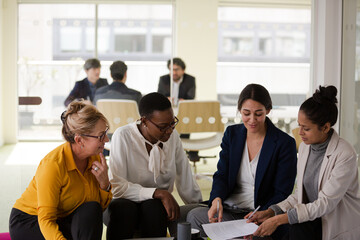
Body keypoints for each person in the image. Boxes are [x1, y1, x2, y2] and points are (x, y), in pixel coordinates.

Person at [246, 85, 360, 240]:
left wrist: (278, 220)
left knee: (292, 228)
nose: (300, 133)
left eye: (306, 128)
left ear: (325, 127)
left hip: (333, 226)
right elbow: (299, 194)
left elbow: (325, 203)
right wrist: (272, 211)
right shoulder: (307, 148)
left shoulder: (345, 154)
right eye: (299, 125)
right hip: (311, 221)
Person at [187, 84, 297, 240]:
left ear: (268, 111)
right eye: (246, 113)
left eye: (258, 114)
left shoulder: (284, 143)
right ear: (239, 110)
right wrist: (216, 199)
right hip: (230, 210)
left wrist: (263, 215)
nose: (252, 120)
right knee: (194, 217)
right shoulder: (232, 135)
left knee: (257, 235)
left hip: (260, 215)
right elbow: (222, 175)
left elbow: (282, 192)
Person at [103, 92, 202, 240]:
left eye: (172, 123)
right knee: (125, 208)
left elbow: (184, 175)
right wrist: (159, 193)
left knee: (154, 207)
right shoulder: (123, 136)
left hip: (156, 207)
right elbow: (117, 186)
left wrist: (199, 206)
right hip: (123, 203)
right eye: (163, 127)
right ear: (144, 121)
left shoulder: (172, 137)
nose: (169, 130)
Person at [9, 101, 113, 240]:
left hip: (64, 216)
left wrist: (104, 185)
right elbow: (46, 220)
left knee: (91, 208)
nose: (106, 139)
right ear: (79, 140)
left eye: (105, 133)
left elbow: (97, 211)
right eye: (101, 136)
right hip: (31, 220)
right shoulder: (53, 165)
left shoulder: (95, 158)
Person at [157, 57, 198, 161]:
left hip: (183, 112)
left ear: (183, 70)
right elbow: (159, 96)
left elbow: (190, 98)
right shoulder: (163, 79)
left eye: (176, 69)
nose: (174, 72)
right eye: (171, 69)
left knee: (186, 120)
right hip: (168, 112)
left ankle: (182, 153)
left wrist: (180, 101)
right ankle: (167, 153)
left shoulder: (190, 80)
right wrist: (167, 99)